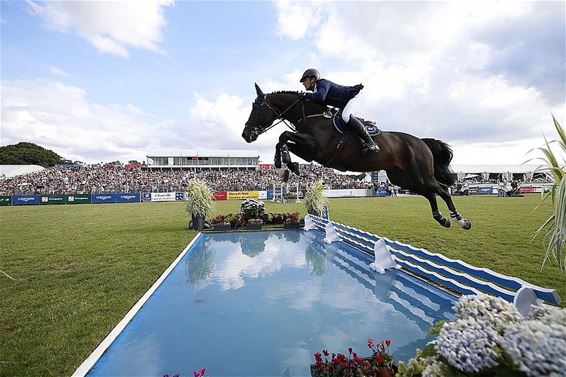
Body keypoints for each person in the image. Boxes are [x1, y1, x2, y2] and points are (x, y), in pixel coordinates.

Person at [300, 68, 379, 153]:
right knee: (340, 118)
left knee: (345, 116)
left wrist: (305, 95)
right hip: (346, 102)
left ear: (313, 79)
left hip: (356, 96)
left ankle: (371, 144)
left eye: (305, 80)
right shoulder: (317, 90)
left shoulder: (322, 83)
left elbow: (320, 97)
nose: (303, 83)